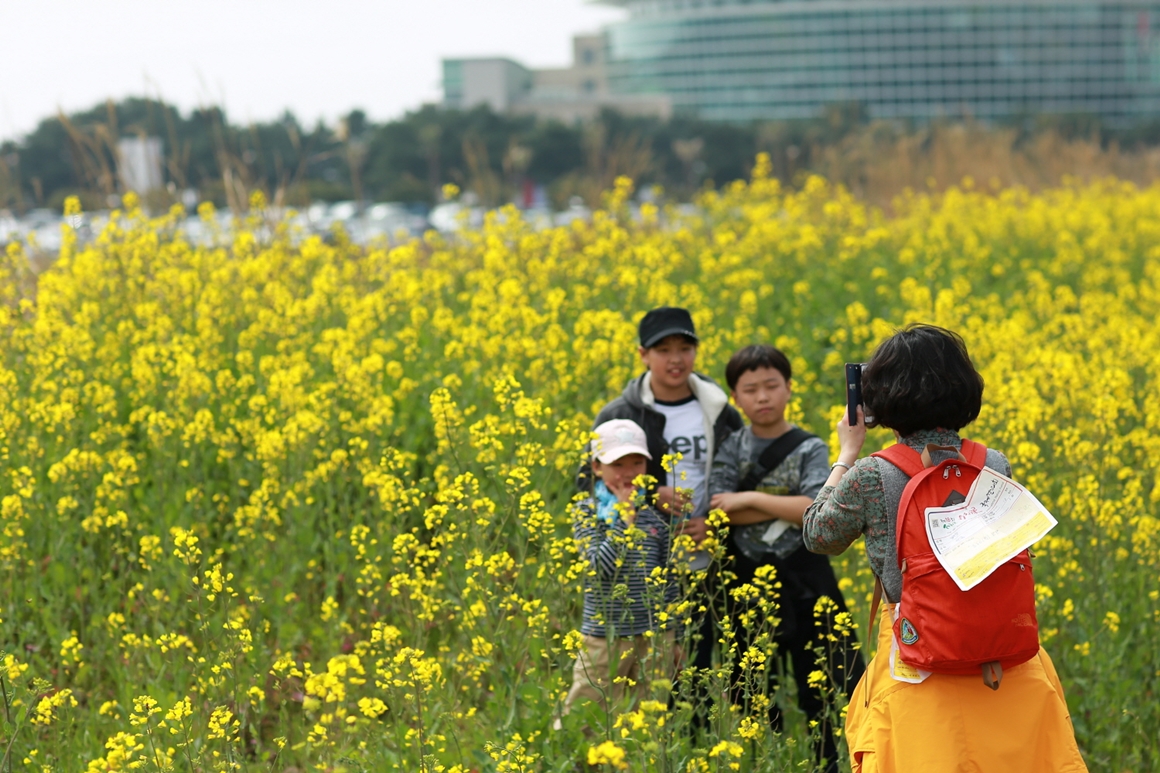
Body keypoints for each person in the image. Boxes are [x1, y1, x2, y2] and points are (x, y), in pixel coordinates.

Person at [802, 324, 1087, 773]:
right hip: (1005, 664)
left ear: (879, 399)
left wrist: (846, 453)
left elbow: (818, 535)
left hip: (920, 666)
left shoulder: (872, 476)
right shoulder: (994, 463)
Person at [708, 344, 865, 773]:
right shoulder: (732, 446)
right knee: (753, 687)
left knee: (831, 680)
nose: (763, 397)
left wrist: (751, 497)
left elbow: (817, 506)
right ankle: (766, 758)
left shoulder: (812, 447)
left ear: (789, 388)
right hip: (747, 578)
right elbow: (717, 506)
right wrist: (787, 503)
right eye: (750, 389)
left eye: (772, 386)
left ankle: (831, 763)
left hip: (805, 577)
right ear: (735, 398)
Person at [559, 418, 679, 723]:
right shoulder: (586, 513)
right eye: (618, 463)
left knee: (647, 719)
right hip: (605, 635)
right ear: (597, 467)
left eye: (637, 462)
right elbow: (599, 568)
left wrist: (676, 636)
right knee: (586, 715)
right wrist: (623, 520)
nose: (628, 472)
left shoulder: (654, 518)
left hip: (654, 637)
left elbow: (670, 580)